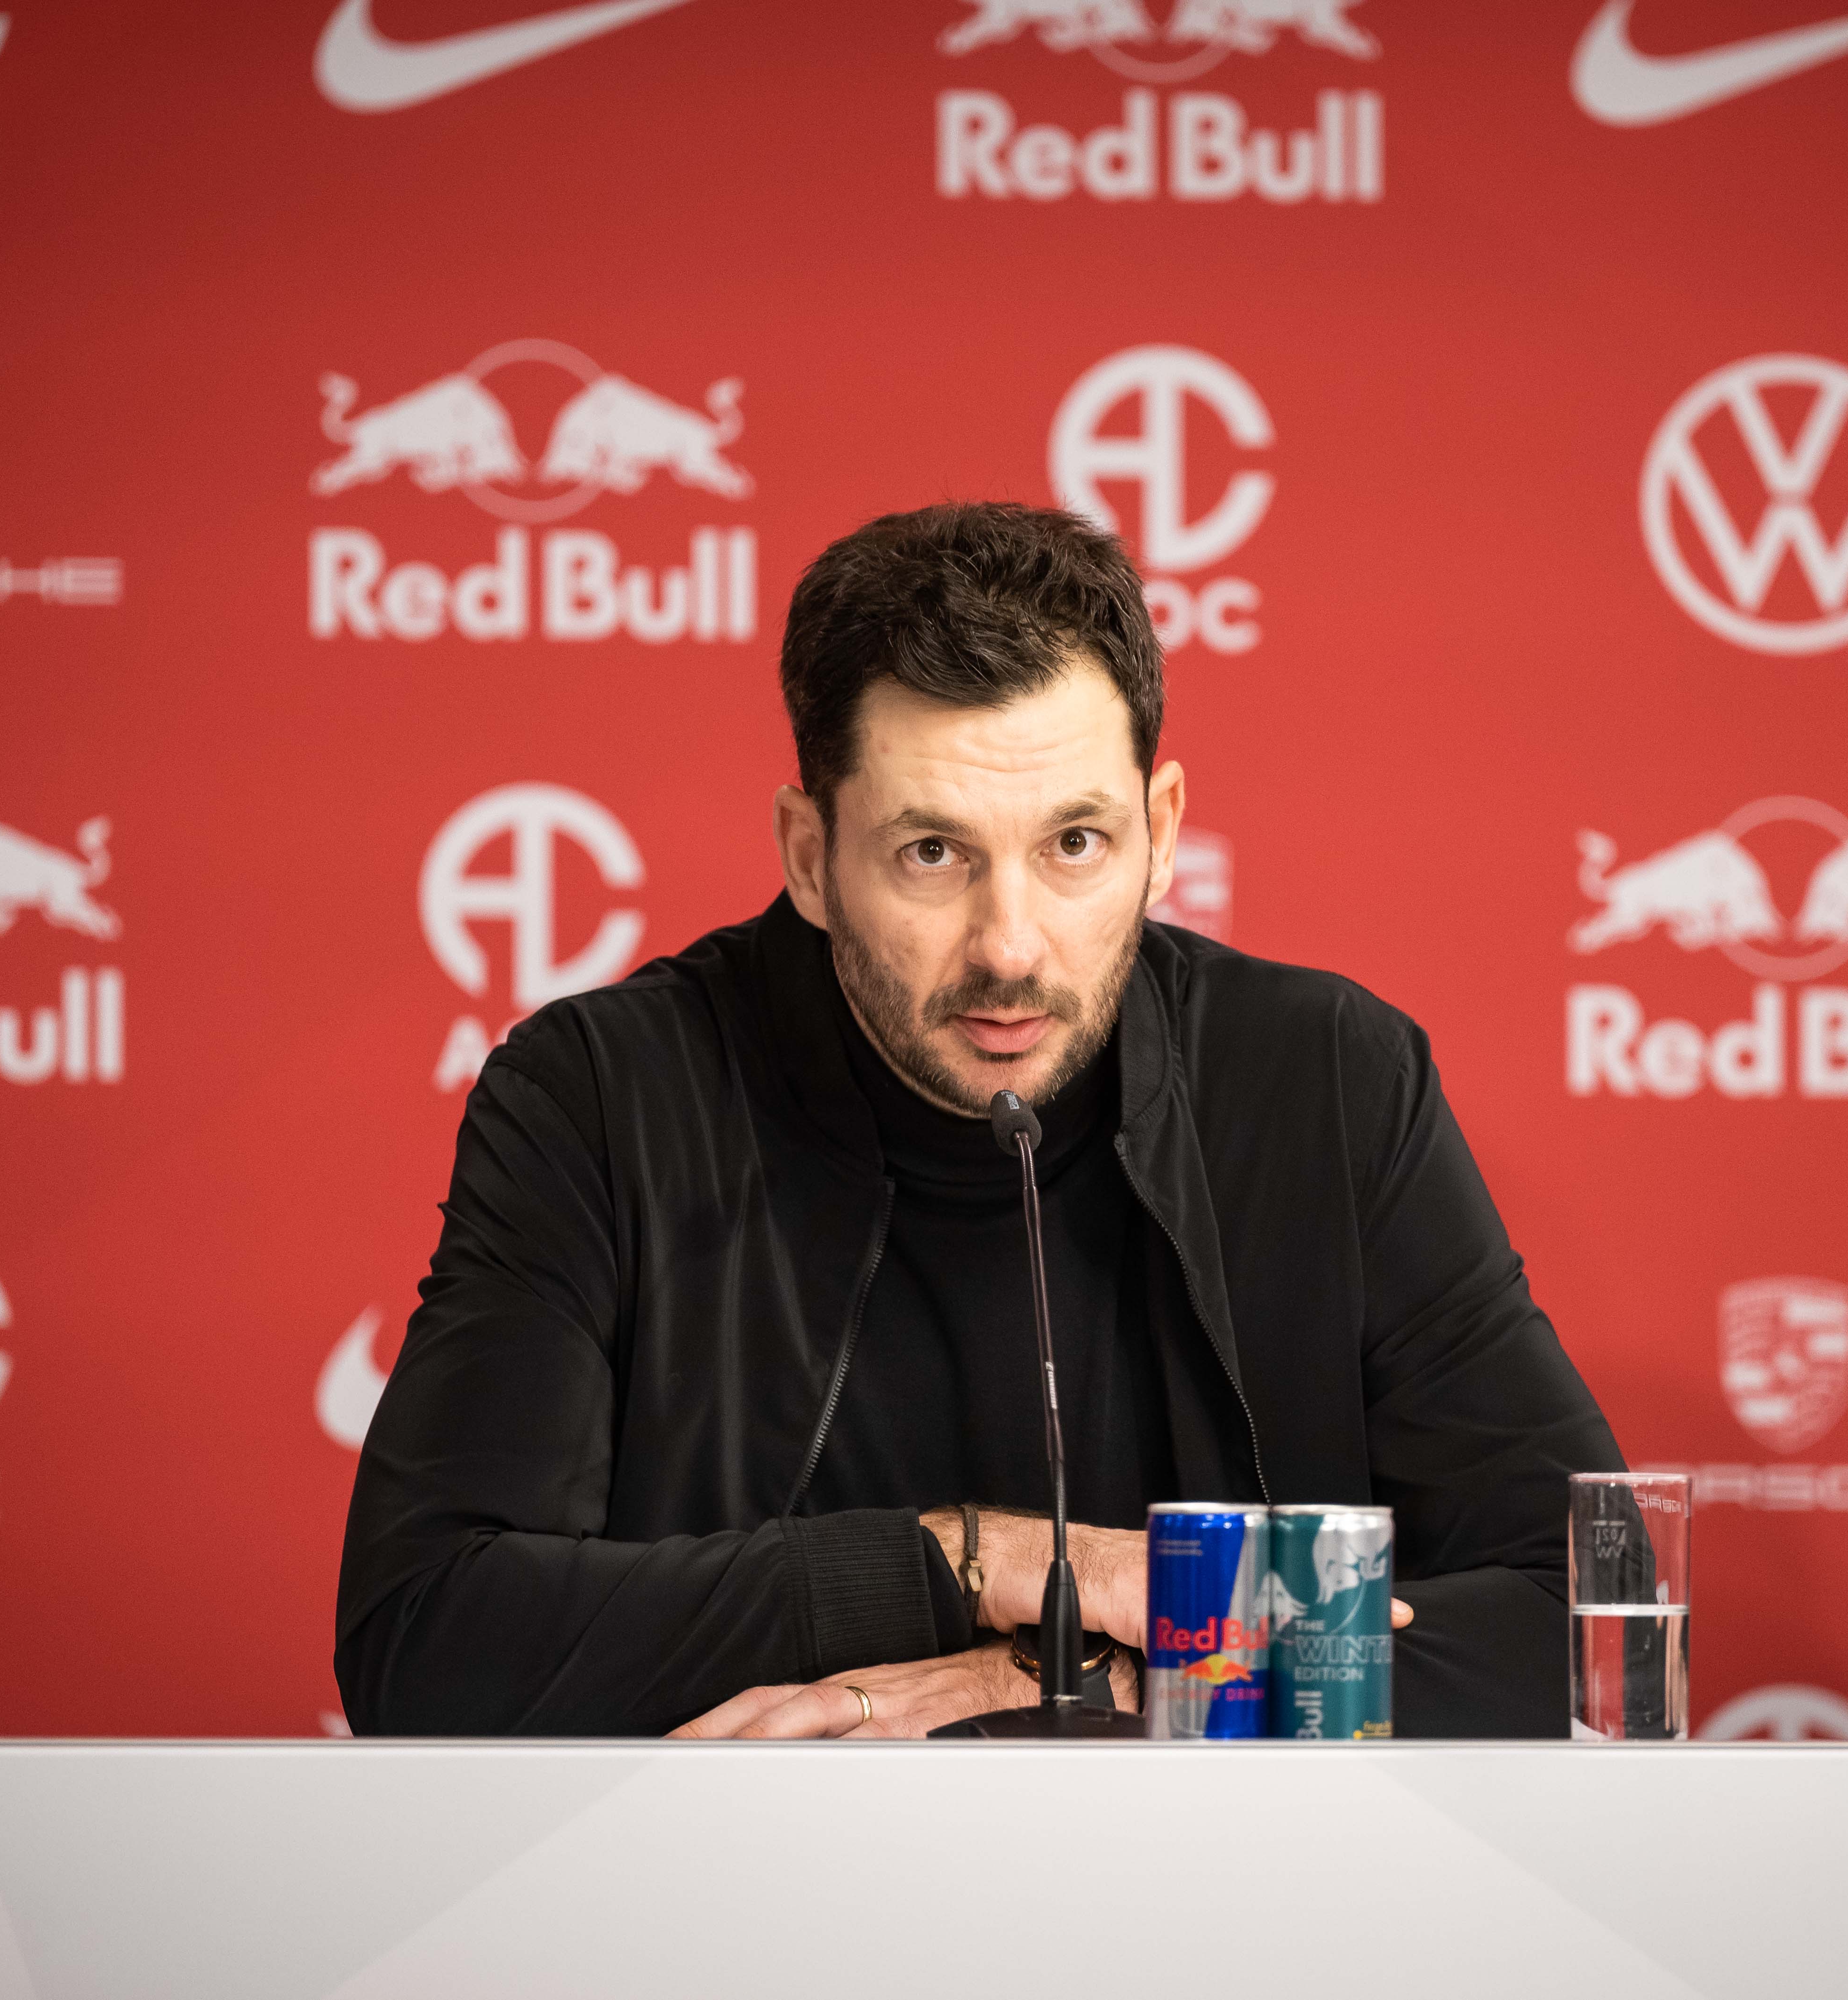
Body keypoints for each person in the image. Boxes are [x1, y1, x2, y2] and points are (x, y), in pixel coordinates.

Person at [335, 501, 1624, 1739]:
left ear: (1161, 833)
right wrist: (980, 1562)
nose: (1010, 948)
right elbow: (428, 1638)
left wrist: (1086, 1688)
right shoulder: (604, 1097)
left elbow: (1587, 1615)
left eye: (1074, 842)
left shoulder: (1327, 1081)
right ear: (806, 853)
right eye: (931, 854)